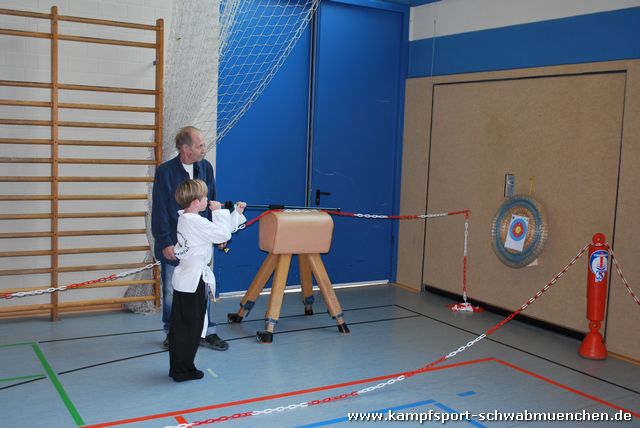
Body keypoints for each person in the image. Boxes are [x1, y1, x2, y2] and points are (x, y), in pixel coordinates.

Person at [151, 126, 227, 351]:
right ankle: (171, 332)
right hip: (176, 244)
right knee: (171, 291)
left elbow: (212, 202)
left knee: (203, 287)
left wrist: (218, 232)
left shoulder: (206, 168)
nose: (204, 149)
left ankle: (207, 331)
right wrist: (164, 241)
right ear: (186, 149)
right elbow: (160, 210)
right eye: (200, 145)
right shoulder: (165, 172)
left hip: (200, 246)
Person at [168, 179, 246, 381]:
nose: (208, 200)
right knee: (190, 328)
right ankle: (184, 370)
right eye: (204, 197)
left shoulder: (186, 218)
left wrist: (235, 214)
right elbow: (220, 235)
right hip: (194, 281)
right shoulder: (196, 221)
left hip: (185, 279)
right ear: (195, 202)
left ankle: (178, 367)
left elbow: (216, 232)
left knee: (181, 326)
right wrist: (219, 211)